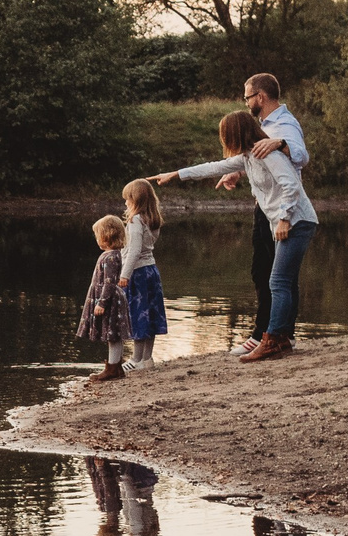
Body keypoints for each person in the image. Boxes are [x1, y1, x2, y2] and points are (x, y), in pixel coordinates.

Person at [153, 110, 318, 362]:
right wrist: (176, 174)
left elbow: (292, 186)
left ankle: (273, 340)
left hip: (297, 221)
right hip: (287, 221)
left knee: (278, 282)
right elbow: (213, 167)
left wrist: (284, 219)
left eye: (225, 136)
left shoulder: (268, 154)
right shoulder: (248, 157)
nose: (224, 141)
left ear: (235, 133)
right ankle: (282, 338)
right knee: (282, 280)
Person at [218, 73, 309, 356]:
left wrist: (281, 143)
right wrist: (236, 172)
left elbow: (301, 155)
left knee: (268, 272)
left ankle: (264, 334)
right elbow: (259, 160)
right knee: (274, 273)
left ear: (260, 97)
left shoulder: (283, 124)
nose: (245, 103)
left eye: (247, 97)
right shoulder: (265, 124)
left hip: (280, 209)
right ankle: (282, 333)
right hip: (268, 206)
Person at [118, 179, 167, 369]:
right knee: (150, 314)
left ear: (135, 200)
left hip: (137, 273)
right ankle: (147, 359)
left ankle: (136, 360)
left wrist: (124, 275)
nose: (125, 203)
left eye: (127, 199)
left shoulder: (136, 220)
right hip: (151, 271)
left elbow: (135, 251)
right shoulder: (153, 220)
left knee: (138, 315)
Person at [77, 215, 133, 382]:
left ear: (107, 236)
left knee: (113, 334)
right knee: (111, 333)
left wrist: (101, 302)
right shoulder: (109, 255)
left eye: (98, 235)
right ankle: (114, 366)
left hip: (110, 300)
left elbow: (109, 282)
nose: (97, 239)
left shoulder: (111, 257)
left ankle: (113, 368)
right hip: (108, 298)